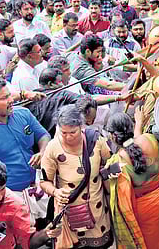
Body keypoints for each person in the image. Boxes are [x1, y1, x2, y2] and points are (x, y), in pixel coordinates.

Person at [40, 105, 114, 249]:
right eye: (64, 133)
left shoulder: (96, 140)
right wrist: (55, 192)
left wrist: (109, 172)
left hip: (97, 210)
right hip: (70, 213)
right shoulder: (53, 148)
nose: (68, 137)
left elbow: (109, 163)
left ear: (81, 126)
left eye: (72, 132)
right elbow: (44, 181)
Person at [103, 113, 159, 249]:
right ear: (131, 127)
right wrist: (139, 123)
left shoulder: (117, 161)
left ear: (113, 136)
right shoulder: (150, 139)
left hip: (142, 207)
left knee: (144, 242)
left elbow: (110, 189)